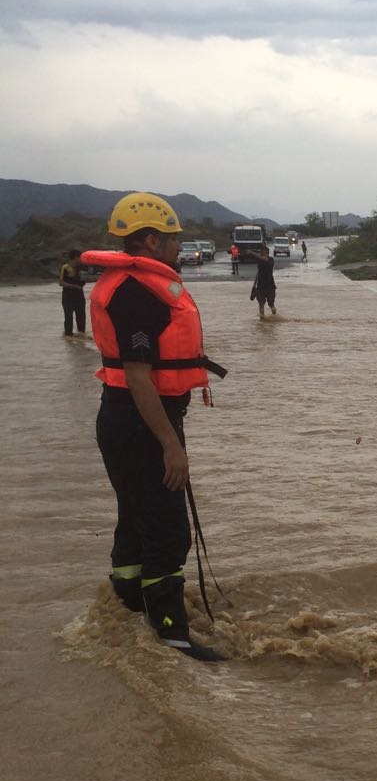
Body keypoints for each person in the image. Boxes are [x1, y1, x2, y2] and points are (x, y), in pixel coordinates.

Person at [82, 192, 228, 662]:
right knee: (167, 533)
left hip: (127, 420)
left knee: (135, 520)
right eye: (172, 240)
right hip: (140, 424)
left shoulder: (130, 285)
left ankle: (126, 610)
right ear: (149, 240)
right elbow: (141, 377)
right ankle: (173, 639)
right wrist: (171, 445)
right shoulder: (134, 294)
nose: (178, 248)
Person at [58, 248, 87, 335]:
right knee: (69, 318)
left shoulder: (81, 267)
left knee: (81, 318)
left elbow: (85, 279)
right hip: (68, 296)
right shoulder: (65, 267)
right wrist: (74, 286)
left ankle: (81, 339)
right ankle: (68, 337)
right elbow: (61, 282)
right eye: (80, 257)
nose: (81, 259)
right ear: (75, 257)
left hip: (79, 295)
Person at [250, 244, 277, 318]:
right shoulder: (259, 261)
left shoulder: (270, 259)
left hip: (270, 285)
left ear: (267, 253)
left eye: (265, 252)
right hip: (260, 285)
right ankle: (262, 321)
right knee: (261, 304)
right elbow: (259, 272)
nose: (263, 253)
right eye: (262, 252)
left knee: (271, 304)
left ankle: (274, 318)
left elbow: (264, 259)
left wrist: (252, 252)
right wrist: (254, 284)